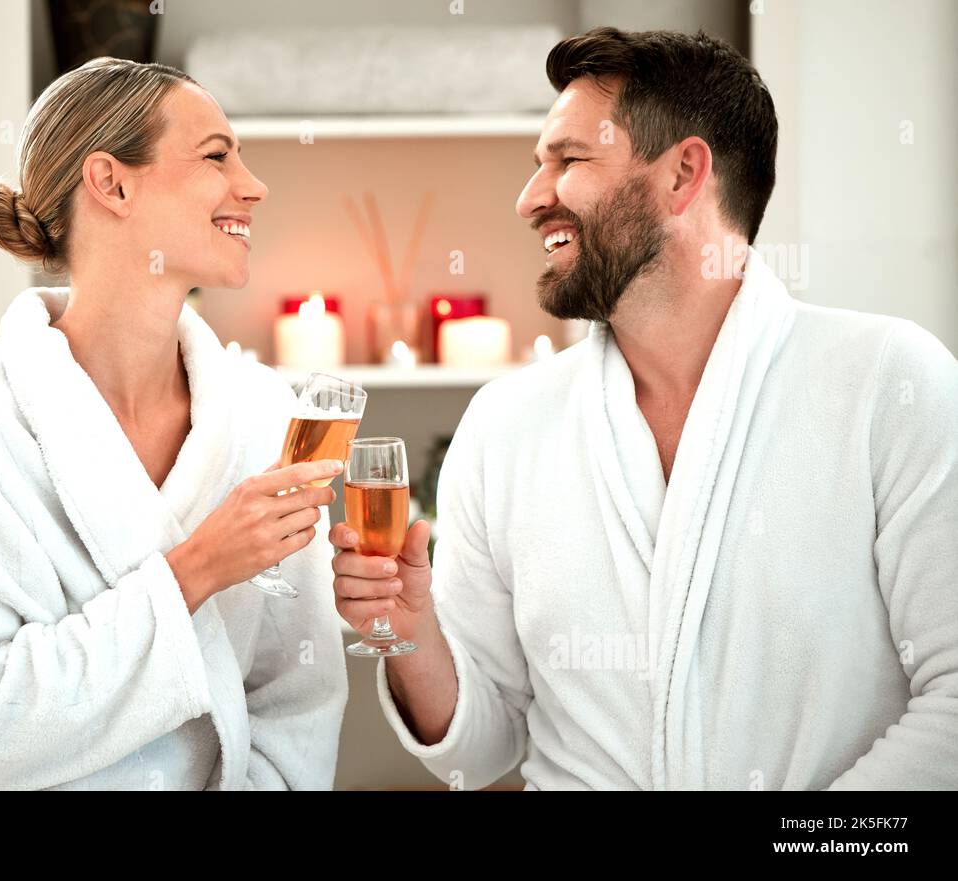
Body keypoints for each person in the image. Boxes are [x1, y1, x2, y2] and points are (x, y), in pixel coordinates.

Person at [330, 27, 958, 790]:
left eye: (568, 160)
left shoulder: (888, 384)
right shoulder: (506, 425)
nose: (530, 198)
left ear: (683, 175)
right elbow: (480, 747)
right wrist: (409, 630)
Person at [0, 58, 347, 790]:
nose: (252, 185)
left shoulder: (263, 415)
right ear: (113, 182)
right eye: (217, 155)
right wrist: (195, 569)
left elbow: (297, 693)